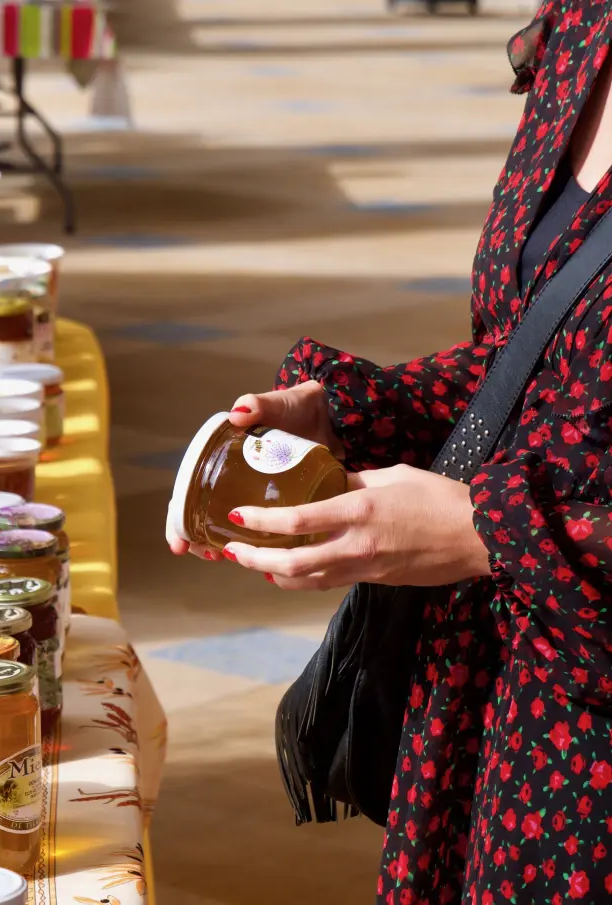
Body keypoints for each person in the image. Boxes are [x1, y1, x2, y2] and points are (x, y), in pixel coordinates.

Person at [167, 2, 612, 901]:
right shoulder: (586, 24)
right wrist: (348, 415)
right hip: (501, 726)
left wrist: (493, 532)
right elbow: (546, 350)